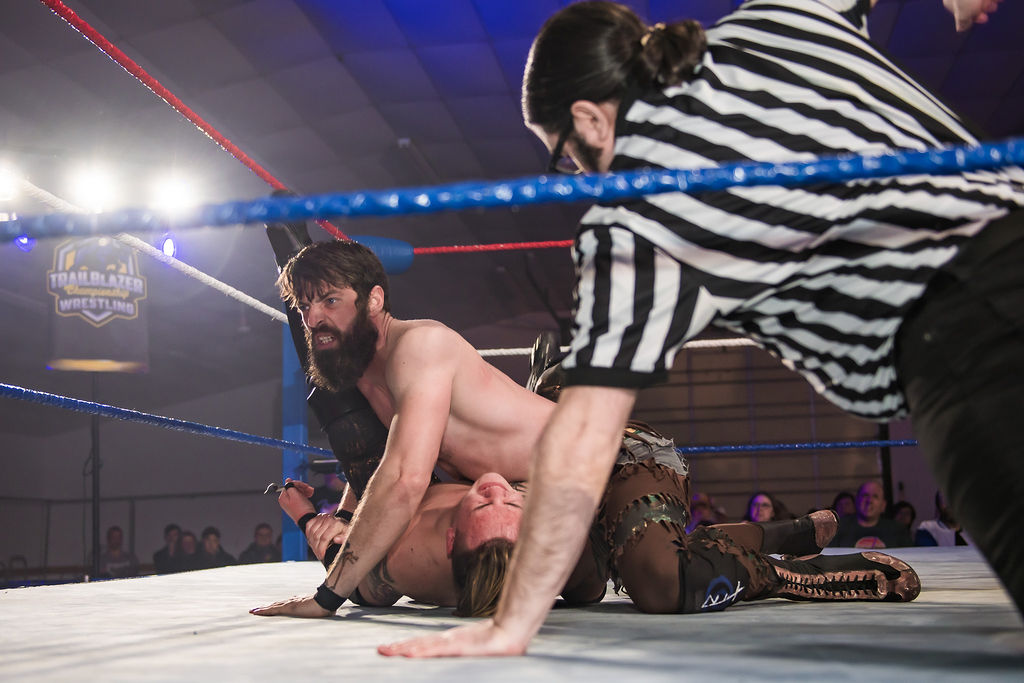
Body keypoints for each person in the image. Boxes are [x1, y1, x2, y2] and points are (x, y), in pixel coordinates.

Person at [379, 0, 1020, 657]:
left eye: (565, 158)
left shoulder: (635, 224)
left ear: (590, 119)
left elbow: (584, 440)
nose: (576, 175)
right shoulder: (767, 23)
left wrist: (511, 624)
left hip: (961, 341)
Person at [831, 481, 912, 548]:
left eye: (875, 496)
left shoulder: (898, 530)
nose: (869, 501)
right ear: (857, 501)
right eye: (865, 495)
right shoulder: (839, 528)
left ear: (883, 505)